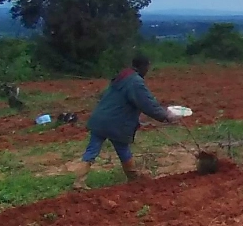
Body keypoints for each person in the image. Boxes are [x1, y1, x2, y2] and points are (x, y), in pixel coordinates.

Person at [73, 55, 179, 190]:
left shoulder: (122, 76)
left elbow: (118, 101)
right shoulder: (135, 82)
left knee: (93, 150)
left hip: (100, 119)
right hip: (115, 123)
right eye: (147, 67)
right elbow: (147, 103)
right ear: (143, 66)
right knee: (122, 148)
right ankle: (133, 178)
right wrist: (165, 116)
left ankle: (79, 181)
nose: (148, 70)